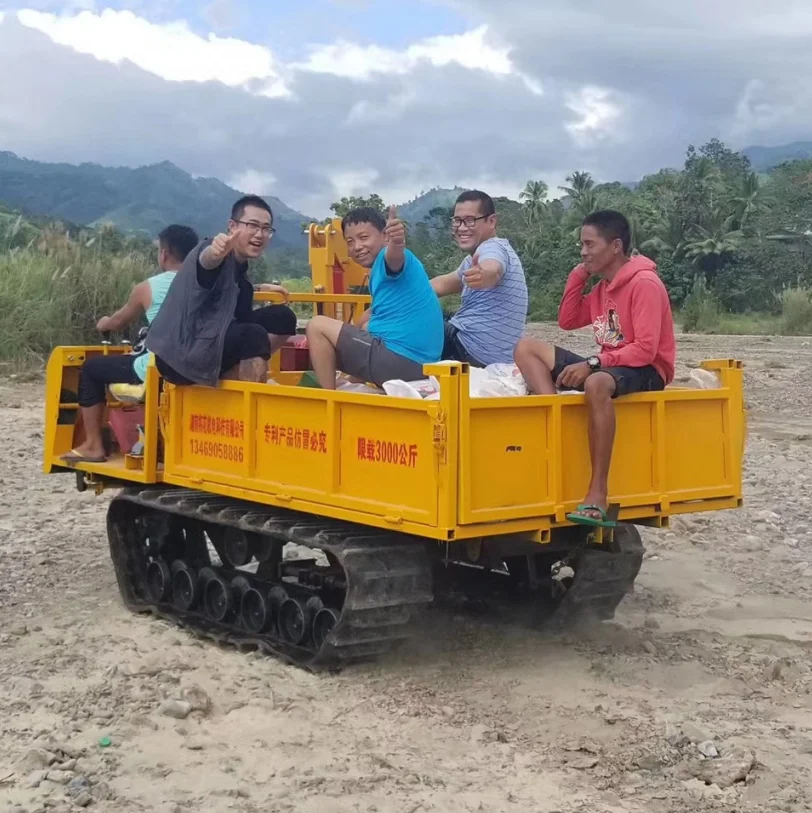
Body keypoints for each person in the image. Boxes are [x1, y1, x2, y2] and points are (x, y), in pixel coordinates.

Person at [513, 210, 676, 528]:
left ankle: (598, 492)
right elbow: (568, 320)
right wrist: (578, 276)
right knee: (526, 347)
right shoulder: (603, 288)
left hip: (647, 369)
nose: (583, 251)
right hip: (611, 365)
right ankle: (554, 419)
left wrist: (593, 364)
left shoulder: (645, 283)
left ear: (615, 246)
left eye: (589, 244)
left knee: (597, 384)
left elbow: (645, 349)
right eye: (581, 245)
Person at [60, 224, 199, 463]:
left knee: (92, 370)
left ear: (164, 253)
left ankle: (93, 445)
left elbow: (117, 321)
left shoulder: (148, 288)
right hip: (198, 362)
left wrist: (103, 323)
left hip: (161, 366)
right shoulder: (206, 285)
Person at [145, 195, 296, 388]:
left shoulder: (241, 269)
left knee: (283, 317)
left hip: (208, 344)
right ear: (232, 226)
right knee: (253, 335)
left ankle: (233, 372)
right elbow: (207, 262)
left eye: (266, 229)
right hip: (180, 355)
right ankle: (251, 398)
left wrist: (259, 287)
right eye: (253, 225)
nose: (260, 234)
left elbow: (228, 290)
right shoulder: (211, 250)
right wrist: (215, 253)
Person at [305, 206, 443, 389]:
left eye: (364, 238)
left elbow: (394, 257)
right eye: (350, 241)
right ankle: (353, 382)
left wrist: (398, 242)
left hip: (399, 360)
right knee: (365, 324)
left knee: (317, 326)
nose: (357, 247)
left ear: (385, 237)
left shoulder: (388, 261)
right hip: (420, 366)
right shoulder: (381, 273)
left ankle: (329, 399)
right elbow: (368, 320)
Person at [430, 190, 528, 367]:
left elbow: (493, 267)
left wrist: (486, 274)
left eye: (469, 220)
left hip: (472, 351)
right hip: (491, 354)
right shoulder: (473, 259)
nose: (461, 227)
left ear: (491, 221)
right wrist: (402, 295)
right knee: (420, 309)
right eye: (457, 221)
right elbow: (441, 284)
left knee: (393, 324)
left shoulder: (493, 248)